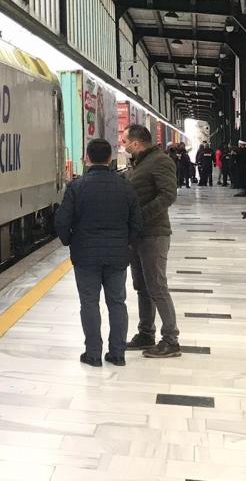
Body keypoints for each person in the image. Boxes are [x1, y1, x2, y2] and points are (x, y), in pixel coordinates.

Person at [56, 138, 142, 368]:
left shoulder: (76, 187)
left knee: (89, 303)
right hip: (117, 256)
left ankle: (93, 354)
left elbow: (62, 221)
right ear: (110, 158)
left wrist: (69, 241)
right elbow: (137, 222)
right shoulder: (125, 187)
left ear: (87, 158)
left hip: (85, 256)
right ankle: (118, 353)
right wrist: (126, 244)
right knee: (117, 303)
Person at [121, 124, 181, 359]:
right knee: (142, 286)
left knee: (156, 286)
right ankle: (146, 333)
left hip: (154, 233)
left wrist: (140, 216)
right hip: (138, 234)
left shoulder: (160, 161)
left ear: (136, 143)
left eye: (125, 141)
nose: (123, 145)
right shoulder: (140, 162)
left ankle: (171, 339)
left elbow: (168, 195)